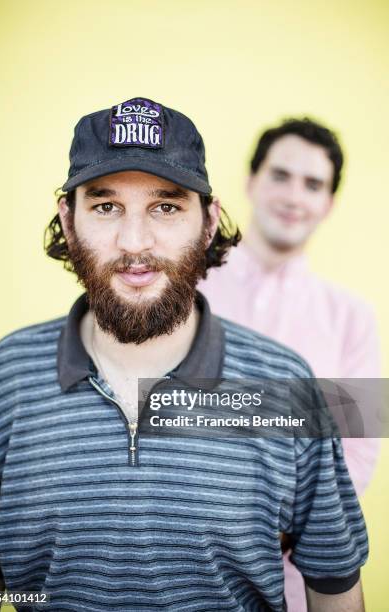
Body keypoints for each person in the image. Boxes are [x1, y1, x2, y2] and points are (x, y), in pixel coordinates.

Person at [0, 99, 368, 611]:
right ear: (69, 220)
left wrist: (257, 523)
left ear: (208, 221)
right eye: (105, 206)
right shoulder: (10, 370)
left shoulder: (341, 325)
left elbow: (351, 464)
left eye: (166, 206)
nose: (135, 242)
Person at [198, 117, 381, 611]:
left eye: (313, 184)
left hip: (297, 588)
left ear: (329, 203)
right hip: (177, 567)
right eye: (280, 175)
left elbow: (357, 449)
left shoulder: (353, 320)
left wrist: (286, 523)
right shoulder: (184, 292)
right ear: (252, 181)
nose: (294, 196)